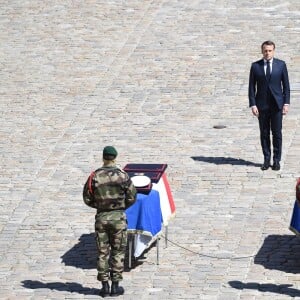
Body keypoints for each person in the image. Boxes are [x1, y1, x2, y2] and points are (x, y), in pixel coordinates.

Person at [83, 146, 137, 297]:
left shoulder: (95, 175)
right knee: (118, 251)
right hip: (118, 218)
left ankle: (104, 286)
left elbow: (87, 197)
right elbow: (132, 196)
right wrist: (120, 207)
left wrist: (100, 206)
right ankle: (115, 285)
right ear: (115, 157)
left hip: (101, 218)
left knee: (102, 252)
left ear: (103, 157)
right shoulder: (123, 176)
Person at [248, 40, 290, 171]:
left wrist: (286, 103)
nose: (267, 53)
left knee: (277, 134)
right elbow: (251, 87)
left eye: (270, 50)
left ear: (274, 51)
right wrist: (253, 104)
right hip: (262, 106)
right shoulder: (255, 66)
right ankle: (266, 159)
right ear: (262, 51)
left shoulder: (281, 65)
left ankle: (277, 160)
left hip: (277, 105)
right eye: (265, 51)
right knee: (264, 133)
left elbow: (286, 87)